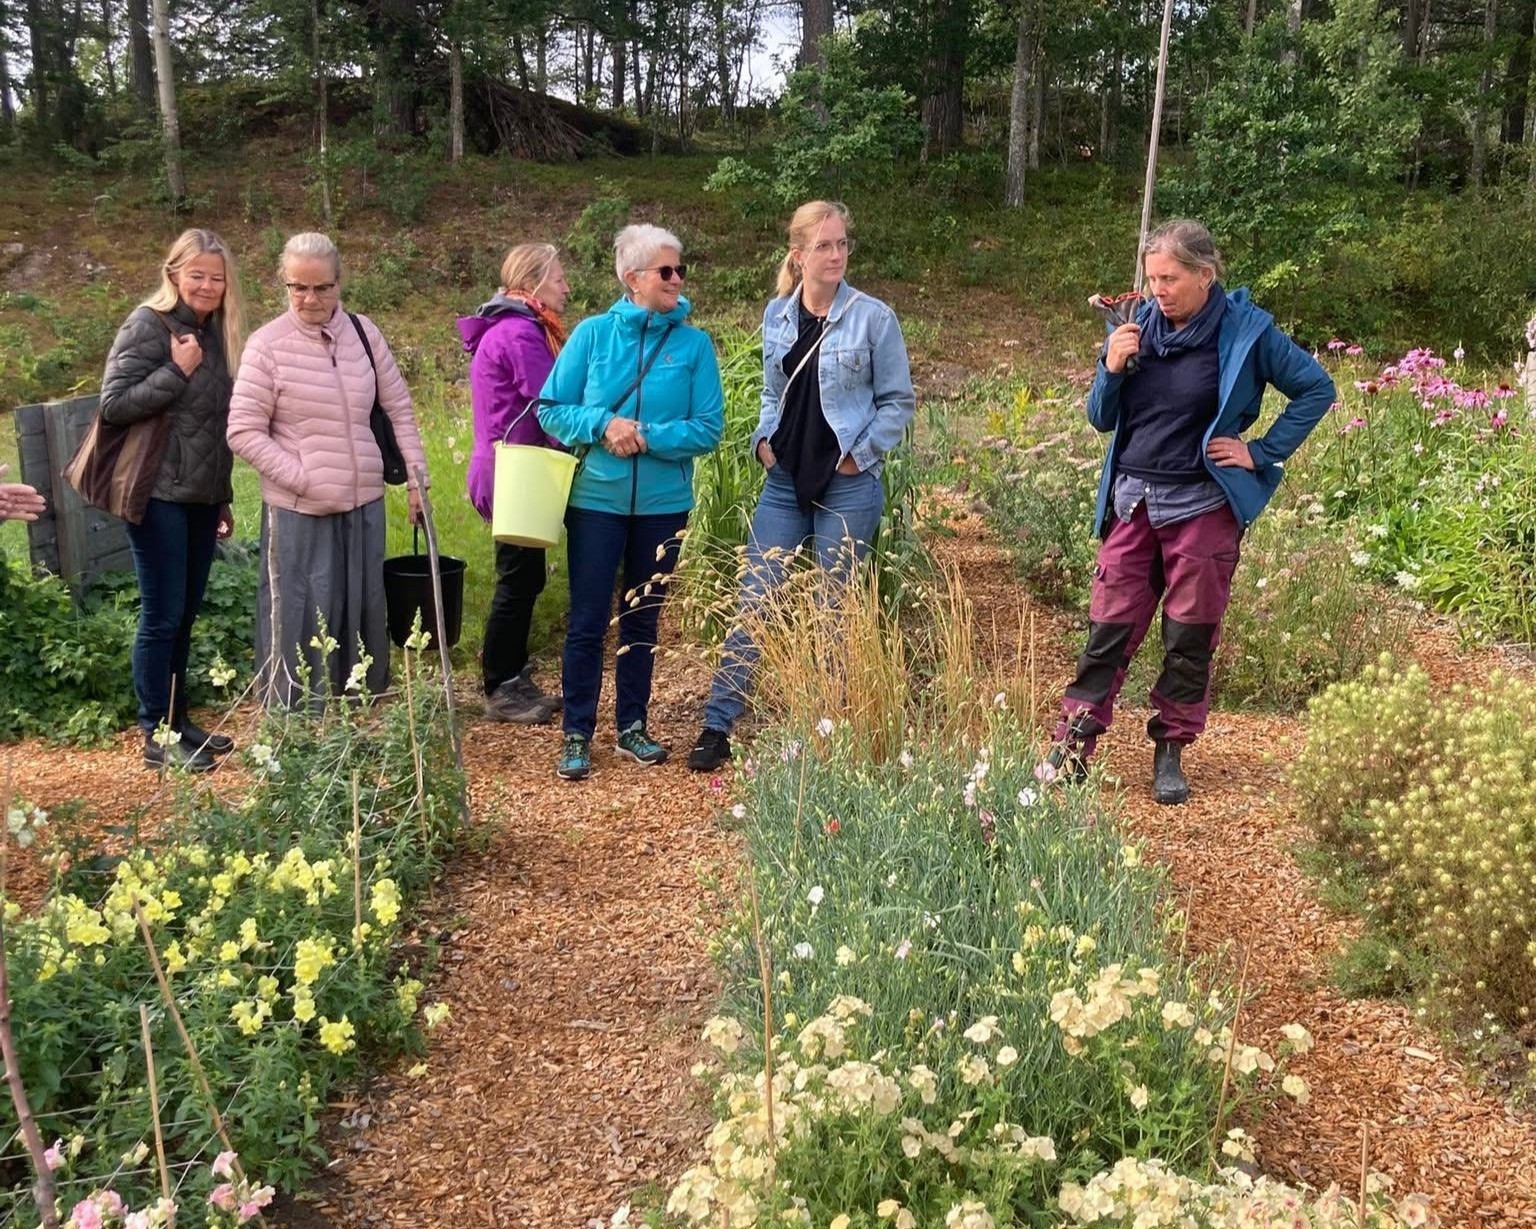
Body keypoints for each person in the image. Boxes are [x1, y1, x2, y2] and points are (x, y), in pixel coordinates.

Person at [1048, 219, 1335, 804]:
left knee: (1189, 634)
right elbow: (1101, 418)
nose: (1159, 290)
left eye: (1171, 278)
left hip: (1203, 506)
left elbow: (1317, 389)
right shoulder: (1135, 328)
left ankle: (1171, 749)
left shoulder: (1246, 332)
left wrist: (1259, 452)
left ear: (1206, 276)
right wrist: (1110, 366)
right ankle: (1073, 744)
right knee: (1109, 628)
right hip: (1133, 503)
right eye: (1153, 278)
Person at [687, 200, 914, 773]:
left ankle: (824, 731)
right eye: (824, 246)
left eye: (843, 244)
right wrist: (764, 441)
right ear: (799, 255)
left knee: (834, 609)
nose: (836, 255)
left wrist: (856, 458)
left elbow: (897, 404)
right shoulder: (777, 315)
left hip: (847, 484)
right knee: (756, 601)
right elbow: (771, 393)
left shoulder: (873, 318)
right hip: (785, 480)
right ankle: (718, 725)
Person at [537, 224, 724, 781]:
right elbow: (550, 408)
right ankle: (576, 732)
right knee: (589, 620)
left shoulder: (694, 344)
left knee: (642, 619)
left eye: (680, 269)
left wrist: (643, 435)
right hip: (596, 501)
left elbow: (708, 428)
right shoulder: (593, 335)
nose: (677, 280)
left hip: (665, 506)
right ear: (632, 277)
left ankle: (632, 727)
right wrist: (602, 424)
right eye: (666, 271)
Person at [228, 232, 428, 710]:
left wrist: (418, 481)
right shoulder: (267, 346)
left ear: (339, 284)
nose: (310, 299)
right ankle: (296, 712)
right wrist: (301, 477)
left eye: (322, 288)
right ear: (284, 285)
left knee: (361, 603)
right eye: (298, 287)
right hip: (300, 508)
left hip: (363, 500)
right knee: (301, 612)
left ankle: (358, 703)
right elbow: (243, 430)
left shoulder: (364, 333)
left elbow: (398, 407)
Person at [98, 229, 245, 772]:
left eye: (216, 276)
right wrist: (174, 371)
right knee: (162, 615)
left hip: (200, 496)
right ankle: (156, 732)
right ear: (174, 275)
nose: (207, 285)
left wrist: (222, 497)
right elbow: (114, 405)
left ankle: (179, 722)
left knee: (183, 615)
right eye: (197, 275)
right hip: (156, 491)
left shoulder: (216, 332)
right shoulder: (148, 325)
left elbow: (211, 428)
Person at [458, 242, 570, 724]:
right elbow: (550, 404)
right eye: (559, 278)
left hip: (508, 466)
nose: (567, 286)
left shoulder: (511, 328)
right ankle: (501, 685)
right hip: (517, 471)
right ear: (534, 283)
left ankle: (512, 675)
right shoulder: (522, 333)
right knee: (517, 579)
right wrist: (577, 450)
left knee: (523, 576)